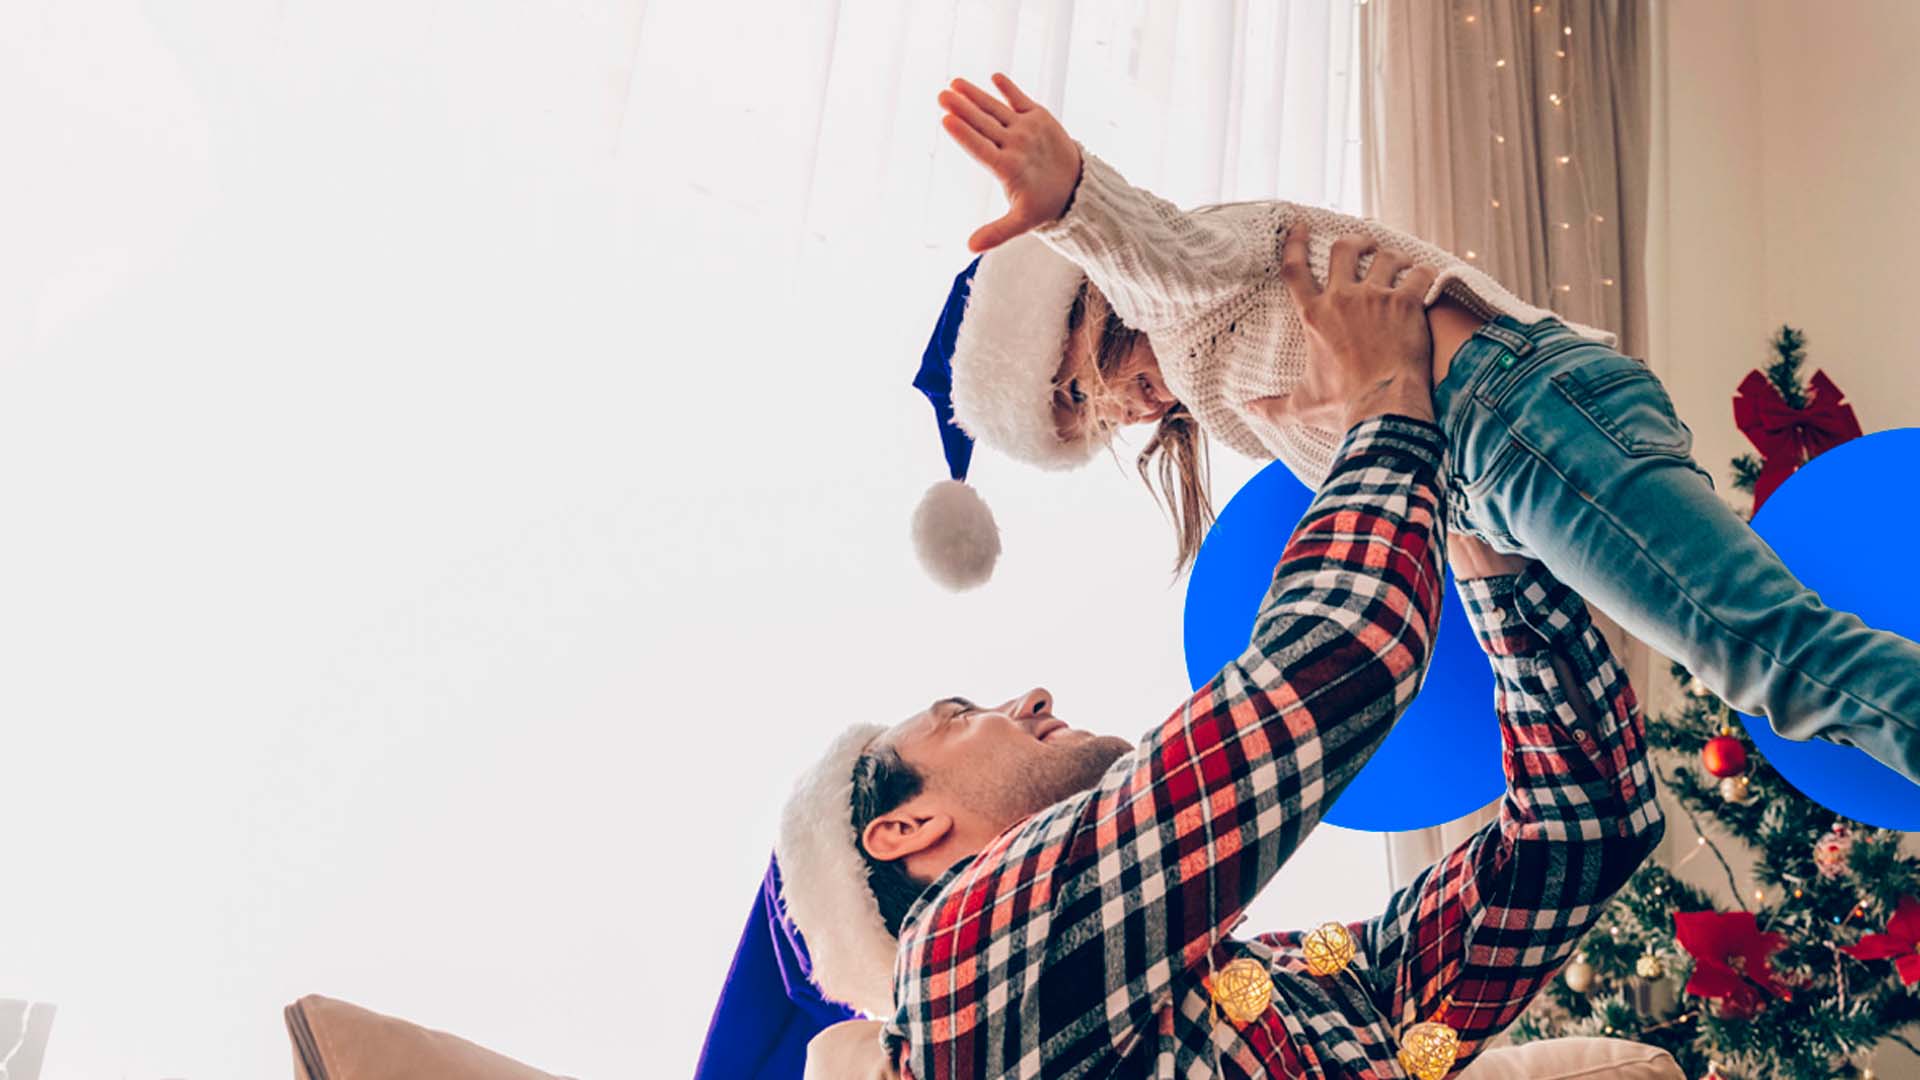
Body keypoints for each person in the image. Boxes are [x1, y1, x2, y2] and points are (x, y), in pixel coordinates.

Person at [772, 244, 1663, 1077]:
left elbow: (1581, 836)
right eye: (960, 716)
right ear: (902, 830)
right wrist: (1388, 405)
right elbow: (1334, 667)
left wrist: (1492, 569)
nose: (1030, 696)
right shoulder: (957, 981)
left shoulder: (1253, 988)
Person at [913, 71, 1920, 783]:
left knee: (1774, 662)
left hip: (1518, 418)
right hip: (1518, 447)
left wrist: (1076, 202)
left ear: (1086, 309)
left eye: (1078, 390)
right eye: (1087, 426)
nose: (1118, 414)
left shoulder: (1195, 285)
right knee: (1766, 662)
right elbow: (1421, 493)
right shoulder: (1226, 395)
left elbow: (1157, 252)